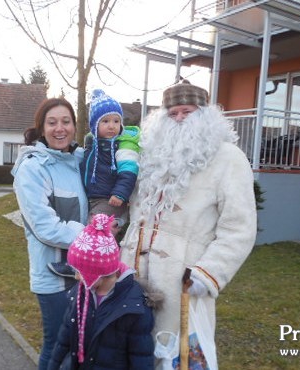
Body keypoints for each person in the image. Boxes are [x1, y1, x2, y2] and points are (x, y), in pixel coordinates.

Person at [119, 79, 257, 368]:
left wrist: (207, 274)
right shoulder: (150, 157)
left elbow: (239, 228)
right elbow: (134, 210)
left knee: (177, 357)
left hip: (183, 283)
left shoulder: (229, 158)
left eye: (187, 112)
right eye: (173, 114)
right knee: (130, 352)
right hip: (130, 276)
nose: (180, 119)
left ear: (205, 116)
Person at [11, 97, 89, 370]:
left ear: (74, 126)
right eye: (52, 122)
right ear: (42, 128)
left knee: (78, 345)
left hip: (82, 271)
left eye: (66, 122)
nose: (60, 129)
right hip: (52, 276)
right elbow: (45, 227)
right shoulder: (33, 167)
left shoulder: (77, 161)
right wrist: (90, 236)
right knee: (57, 345)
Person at [48, 89, 140, 278]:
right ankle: (106, 267)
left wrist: (120, 194)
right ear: (94, 125)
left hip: (111, 199)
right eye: (105, 122)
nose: (112, 126)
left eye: (116, 121)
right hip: (95, 198)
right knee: (96, 232)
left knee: (93, 232)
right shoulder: (92, 146)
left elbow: (129, 171)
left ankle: (78, 268)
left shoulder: (122, 146)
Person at [48, 214, 155, 370]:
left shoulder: (134, 308)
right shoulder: (80, 293)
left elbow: (141, 359)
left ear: (97, 273)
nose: (76, 277)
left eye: (80, 271)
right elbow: (63, 340)